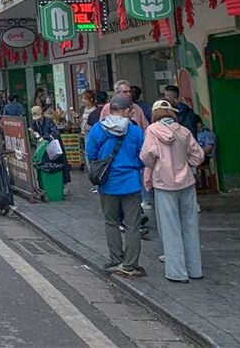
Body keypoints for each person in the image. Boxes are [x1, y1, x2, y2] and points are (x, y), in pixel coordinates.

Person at [140, 100, 205, 283]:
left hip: (164, 183)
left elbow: (146, 156)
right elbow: (198, 155)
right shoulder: (183, 131)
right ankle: (195, 269)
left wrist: (157, 166)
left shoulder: (152, 131)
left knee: (170, 228)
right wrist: (186, 164)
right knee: (190, 225)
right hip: (186, 183)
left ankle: (177, 272)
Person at [85, 94, 146, 278]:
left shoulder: (98, 129)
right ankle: (130, 264)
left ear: (110, 109)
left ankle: (115, 260)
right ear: (127, 110)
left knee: (111, 222)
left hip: (108, 183)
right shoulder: (135, 131)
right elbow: (142, 156)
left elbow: (91, 154)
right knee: (133, 225)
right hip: (131, 183)